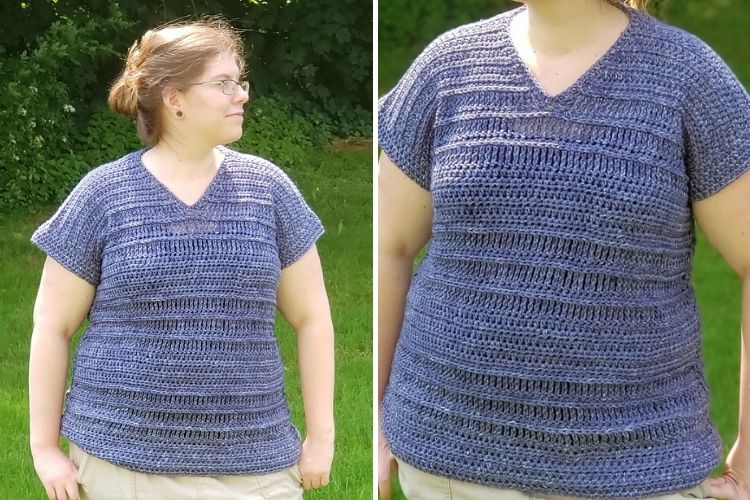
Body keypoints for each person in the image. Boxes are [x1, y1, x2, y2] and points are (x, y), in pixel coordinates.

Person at [378, 0, 750, 498]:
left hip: (632, 471)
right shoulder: (448, 66)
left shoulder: (689, 78)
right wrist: (375, 419)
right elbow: (390, 246)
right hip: (446, 462)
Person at [28, 17, 334, 500]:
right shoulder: (103, 195)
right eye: (223, 83)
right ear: (174, 99)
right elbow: (51, 325)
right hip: (122, 462)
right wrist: (44, 447)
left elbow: (313, 317)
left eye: (241, 81)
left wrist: (322, 435)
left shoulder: (269, 190)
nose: (242, 95)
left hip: (254, 462)